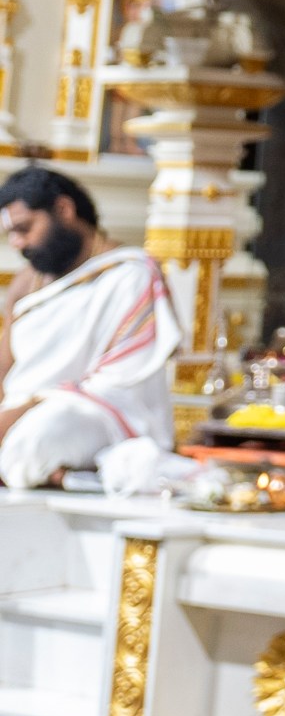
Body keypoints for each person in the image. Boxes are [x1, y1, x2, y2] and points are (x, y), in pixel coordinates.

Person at [0, 167, 180, 490]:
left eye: (25, 229)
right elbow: (4, 366)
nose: (17, 243)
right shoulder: (29, 282)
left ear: (64, 210)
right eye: (11, 234)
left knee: (35, 440)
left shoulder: (131, 274)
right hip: (19, 410)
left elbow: (116, 380)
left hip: (99, 412)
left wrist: (26, 408)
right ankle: (61, 474)